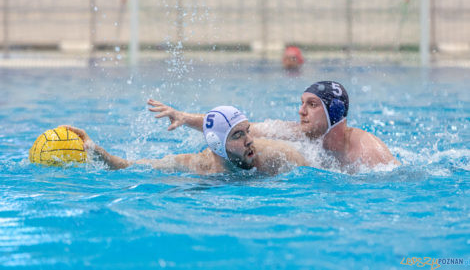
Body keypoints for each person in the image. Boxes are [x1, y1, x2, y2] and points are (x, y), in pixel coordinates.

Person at [148, 81, 399, 172]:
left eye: (311, 105)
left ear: (333, 112)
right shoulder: (296, 132)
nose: (301, 111)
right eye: (301, 103)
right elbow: (232, 127)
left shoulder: (368, 151)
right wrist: (183, 117)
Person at [61, 106, 307, 175]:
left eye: (247, 131)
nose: (249, 141)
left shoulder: (276, 157)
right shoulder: (195, 165)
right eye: (238, 135)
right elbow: (130, 166)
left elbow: (313, 175)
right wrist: (96, 150)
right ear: (217, 145)